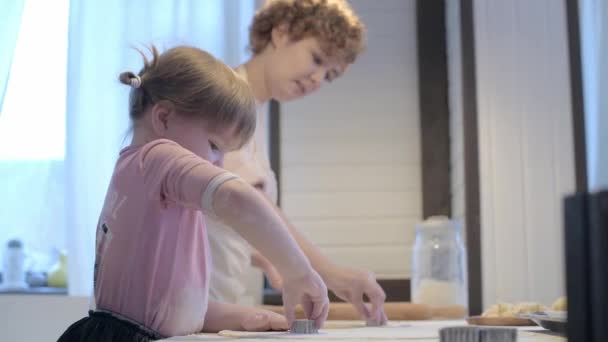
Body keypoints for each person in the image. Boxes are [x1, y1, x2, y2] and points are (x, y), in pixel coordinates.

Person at [57, 45, 329, 341]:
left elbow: (169, 308)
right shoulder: (157, 158)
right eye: (214, 145)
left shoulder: (143, 175)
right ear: (163, 119)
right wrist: (297, 271)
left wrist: (246, 317)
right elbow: (237, 199)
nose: (219, 163)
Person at [207, 0, 388, 326]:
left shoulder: (255, 114)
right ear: (281, 32)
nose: (317, 78)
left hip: (213, 304)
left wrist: (269, 259)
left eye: (329, 75)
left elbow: (218, 210)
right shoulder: (227, 99)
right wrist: (328, 273)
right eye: (316, 58)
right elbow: (249, 203)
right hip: (185, 304)